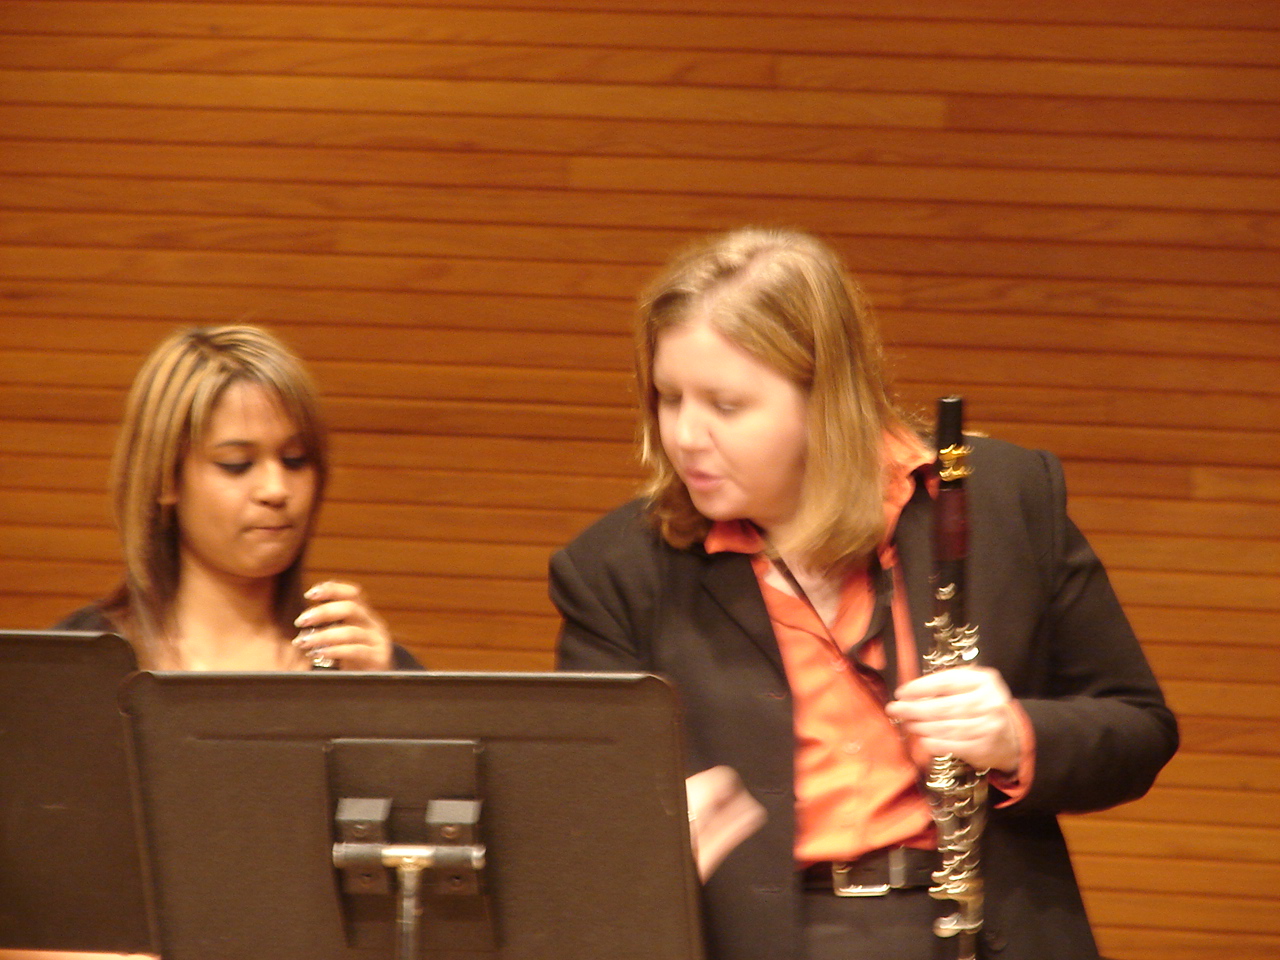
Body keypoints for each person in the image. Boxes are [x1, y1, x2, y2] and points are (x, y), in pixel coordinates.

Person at [550, 227, 1177, 960]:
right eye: (668, 398)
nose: (686, 435)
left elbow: (1140, 729)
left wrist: (1016, 738)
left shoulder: (1003, 500)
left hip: (985, 929)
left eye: (726, 405)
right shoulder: (617, 570)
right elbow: (581, 821)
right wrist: (642, 834)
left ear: (826, 399)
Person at [57, 325, 419, 671]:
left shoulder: (364, 664)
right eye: (237, 464)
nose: (276, 489)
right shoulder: (72, 663)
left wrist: (385, 697)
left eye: (295, 460)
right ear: (166, 477)